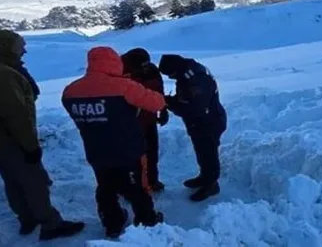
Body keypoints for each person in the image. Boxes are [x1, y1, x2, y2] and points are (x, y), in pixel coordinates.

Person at [0, 29, 84, 241]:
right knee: (33, 181)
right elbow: (17, 115)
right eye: (19, 46)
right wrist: (30, 146)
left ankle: (26, 217)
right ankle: (50, 223)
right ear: (5, 47)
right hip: (12, 139)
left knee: (11, 179)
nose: (24, 51)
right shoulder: (3, 74)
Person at [62, 47, 166, 238]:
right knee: (136, 188)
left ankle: (112, 223)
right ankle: (146, 220)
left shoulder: (70, 91)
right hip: (127, 150)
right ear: (115, 63)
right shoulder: (124, 87)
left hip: (96, 150)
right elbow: (157, 103)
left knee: (105, 188)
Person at [158, 54, 227, 202]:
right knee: (202, 152)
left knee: (209, 154)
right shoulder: (187, 73)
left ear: (175, 69)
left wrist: (168, 102)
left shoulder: (195, 80)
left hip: (209, 122)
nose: (170, 78)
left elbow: (192, 108)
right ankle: (204, 177)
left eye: (170, 74)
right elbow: (186, 99)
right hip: (200, 122)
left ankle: (211, 185)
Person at [121, 48, 170, 193]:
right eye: (141, 66)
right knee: (132, 157)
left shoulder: (152, 70)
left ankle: (152, 180)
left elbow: (159, 90)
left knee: (152, 152)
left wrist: (163, 109)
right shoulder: (120, 73)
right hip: (130, 123)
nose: (145, 68)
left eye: (146, 64)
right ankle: (131, 186)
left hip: (149, 118)